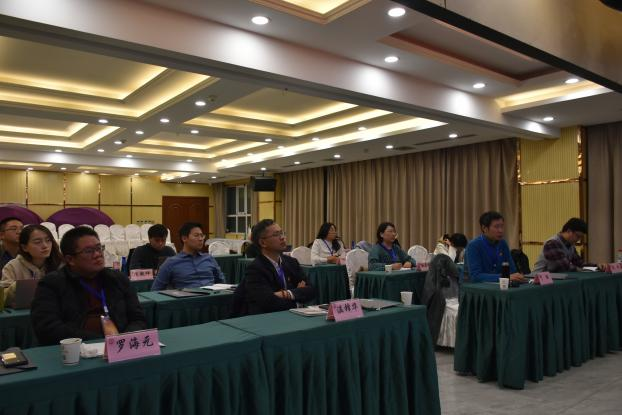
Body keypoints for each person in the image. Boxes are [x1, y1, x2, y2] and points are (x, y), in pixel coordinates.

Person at [30, 226, 146, 346]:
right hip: (78, 348)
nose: (97, 254)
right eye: (89, 251)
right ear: (70, 259)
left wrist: (123, 340)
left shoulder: (118, 279)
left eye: (99, 248)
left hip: (121, 345)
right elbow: (47, 328)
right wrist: (99, 341)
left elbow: (138, 318)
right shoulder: (51, 284)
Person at [231, 219, 316, 316]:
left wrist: (285, 294)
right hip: (266, 320)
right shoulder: (255, 269)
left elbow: (311, 290)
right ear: (263, 243)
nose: (282, 237)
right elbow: (268, 302)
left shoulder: (291, 262)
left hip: (291, 317)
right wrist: (297, 300)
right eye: (276, 235)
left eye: (282, 233)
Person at [1, 224, 63, 306]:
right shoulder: (12, 266)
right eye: (37, 242)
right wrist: (17, 287)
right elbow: (3, 297)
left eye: (48, 240)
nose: (45, 246)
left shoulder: (60, 263)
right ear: (24, 247)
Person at [151, 222, 224, 290]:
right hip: (187, 298)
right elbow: (155, 290)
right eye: (196, 235)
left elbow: (222, 283)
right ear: (184, 238)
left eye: (202, 236)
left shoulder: (209, 258)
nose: (201, 239)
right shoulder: (171, 263)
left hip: (212, 297)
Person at [464, 211, 525, 283]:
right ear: (484, 228)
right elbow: (475, 276)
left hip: (499, 286)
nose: (500, 230)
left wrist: (517, 276)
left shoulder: (503, 244)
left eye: (502, 226)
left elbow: (512, 270)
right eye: (496, 227)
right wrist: (504, 277)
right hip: (476, 288)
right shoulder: (473, 246)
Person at [533, 218, 605, 272]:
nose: (579, 239)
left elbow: (579, 262)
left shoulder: (570, 245)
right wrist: (583, 270)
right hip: (539, 282)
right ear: (569, 231)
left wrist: (596, 266)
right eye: (578, 236)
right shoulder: (552, 243)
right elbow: (564, 266)